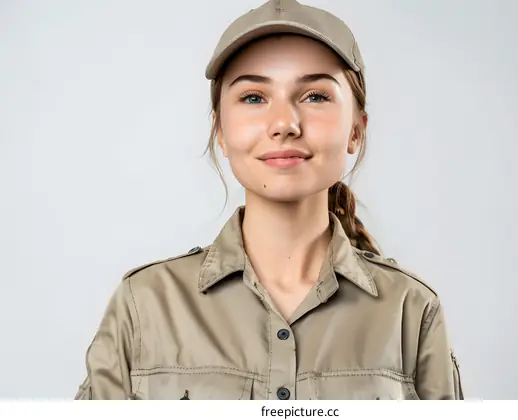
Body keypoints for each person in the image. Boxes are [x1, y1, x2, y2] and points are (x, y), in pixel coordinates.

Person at [75, 0, 464, 400]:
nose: (284, 124)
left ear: (356, 130)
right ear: (220, 132)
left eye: (314, 96)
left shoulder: (412, 311)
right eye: (254, 97)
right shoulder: (143, 306)